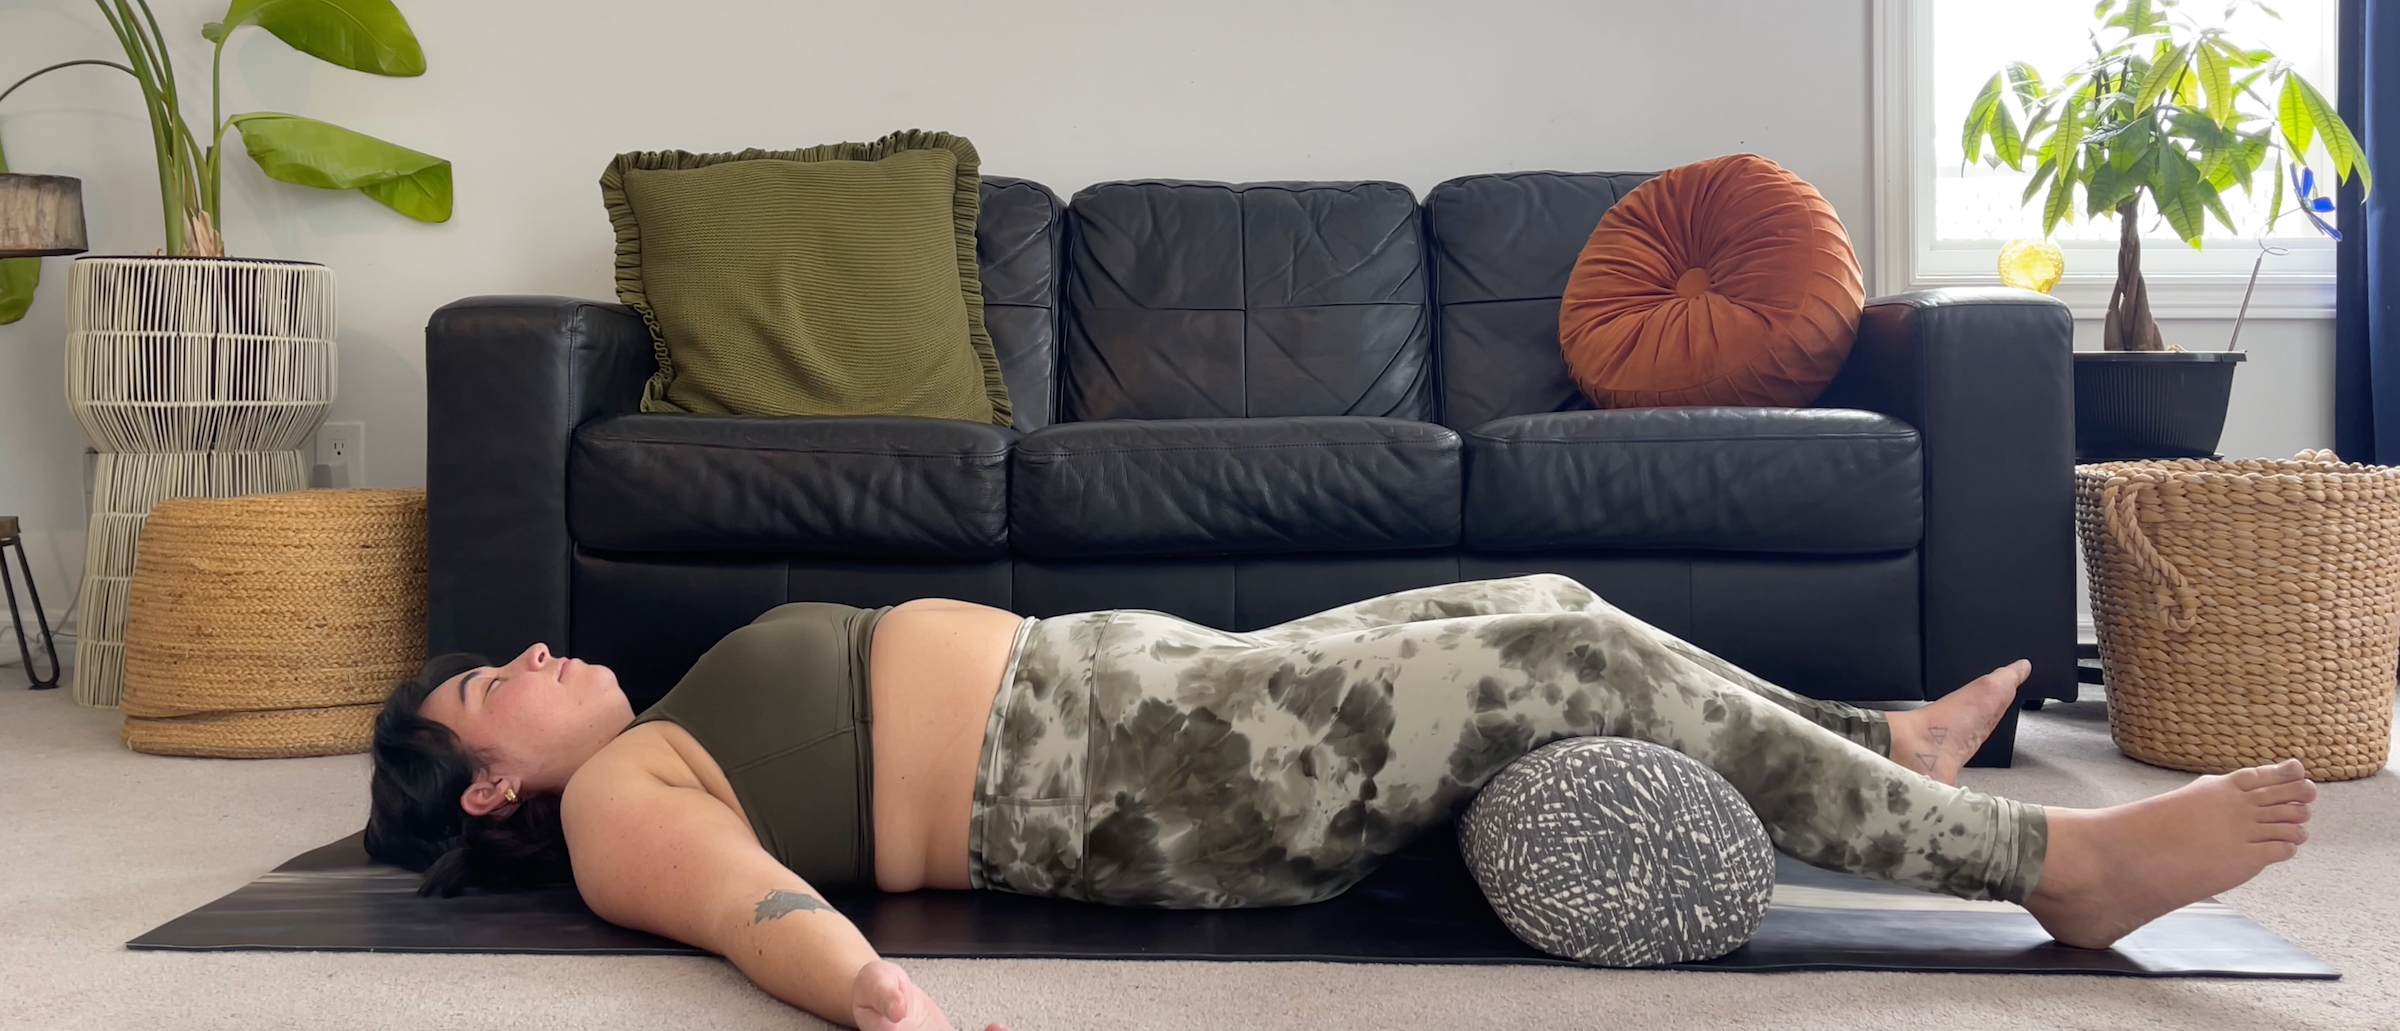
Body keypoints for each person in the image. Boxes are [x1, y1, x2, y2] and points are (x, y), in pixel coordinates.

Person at [367, 576, 2315, 1031]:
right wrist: (872, 993)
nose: (531, 661)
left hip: (1162, 695)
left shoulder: (656, 709)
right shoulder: (626, 792)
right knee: (1565, 664)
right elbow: (740, 909)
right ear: (498, 789)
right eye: (492, 688)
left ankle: (1876, 748)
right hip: (1143, 782)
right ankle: (2052, 871)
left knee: (1552, 606)